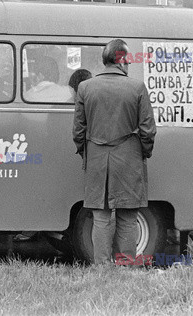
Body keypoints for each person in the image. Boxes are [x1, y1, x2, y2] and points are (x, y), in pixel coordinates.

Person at [72, 39, 156, 265]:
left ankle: (101, 267)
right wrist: (143, 153)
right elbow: (148, 130)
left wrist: (86, 153)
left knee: (100, 216)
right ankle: (126, 265)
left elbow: (78, 131)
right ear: (122, 61)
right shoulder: (137, 87)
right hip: (129, 156)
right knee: (128, 217)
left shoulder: (85, 87)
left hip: (97, 158)